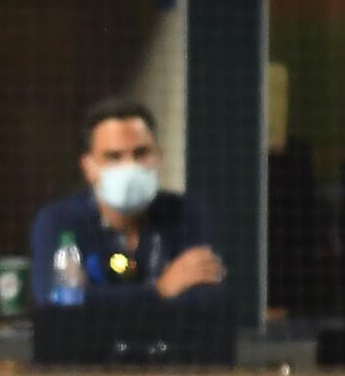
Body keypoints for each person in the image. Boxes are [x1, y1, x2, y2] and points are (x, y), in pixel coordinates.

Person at [30, 97, 225, 303]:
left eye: (141, 153)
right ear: (88, 167)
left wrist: (99, 297)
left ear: (158, 155)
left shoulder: (188, 213)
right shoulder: (59, 221)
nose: (130, 167)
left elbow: (206, 297)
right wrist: (159, 291)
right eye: (114, 157)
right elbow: (56, 301)